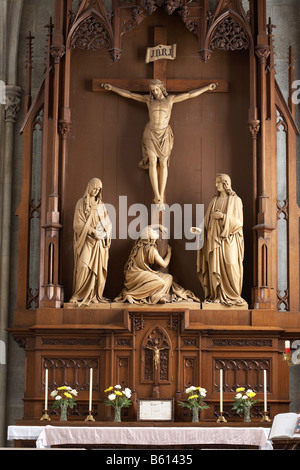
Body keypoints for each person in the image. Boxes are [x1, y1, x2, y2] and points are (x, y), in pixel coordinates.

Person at [101, 80, 217, 208]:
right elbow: (129, 94)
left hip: (164, 134)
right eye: (152, 90)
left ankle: (161, 194)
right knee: (152, 161)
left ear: (162, 89)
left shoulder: (170, 100)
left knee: (162, 163)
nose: (154, 92)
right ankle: (157, 196)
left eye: (156, 89)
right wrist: (112, 88)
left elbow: (190, 94)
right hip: (151, 132)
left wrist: (207, 88)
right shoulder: (148, 100)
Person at [114, 225, 199, 304]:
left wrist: (159, 226)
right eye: (154, 233)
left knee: (169, 277)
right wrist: (169, 253)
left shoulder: (139, 243)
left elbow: (148, 227)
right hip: (136, 274)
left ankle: (157, 296)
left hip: (134, 273)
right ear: (152, 239)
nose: (156, 232)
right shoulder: (151, 250)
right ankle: (131, 294)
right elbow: (164, 264)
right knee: (160, 282)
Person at [196, 173, 246, 307]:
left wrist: (222, 216)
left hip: (229, 239)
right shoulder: (214, 201)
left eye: (219, 182)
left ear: (226, 183)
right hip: (213, 239)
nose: (216, 185)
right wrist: (200, 230)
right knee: (214, 266)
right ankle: (217, 296)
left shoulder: (236, 200)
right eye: (216, 182)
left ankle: (234, 296)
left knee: (231, 264)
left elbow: (239, 222)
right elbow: (207, 221)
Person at [70, 178, 112, 306]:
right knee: (83, 266)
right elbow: (77, 224)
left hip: (99, 243)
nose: (96, 191)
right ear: (89, 187)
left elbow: (108, 223)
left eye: (98, 189)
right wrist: (92, 231)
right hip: (86, 241)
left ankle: (94, 295)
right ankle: (78, 295)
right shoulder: (81, 203)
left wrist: (104, 232)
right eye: (94, 188)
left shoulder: (101, 205)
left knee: (97, 270)